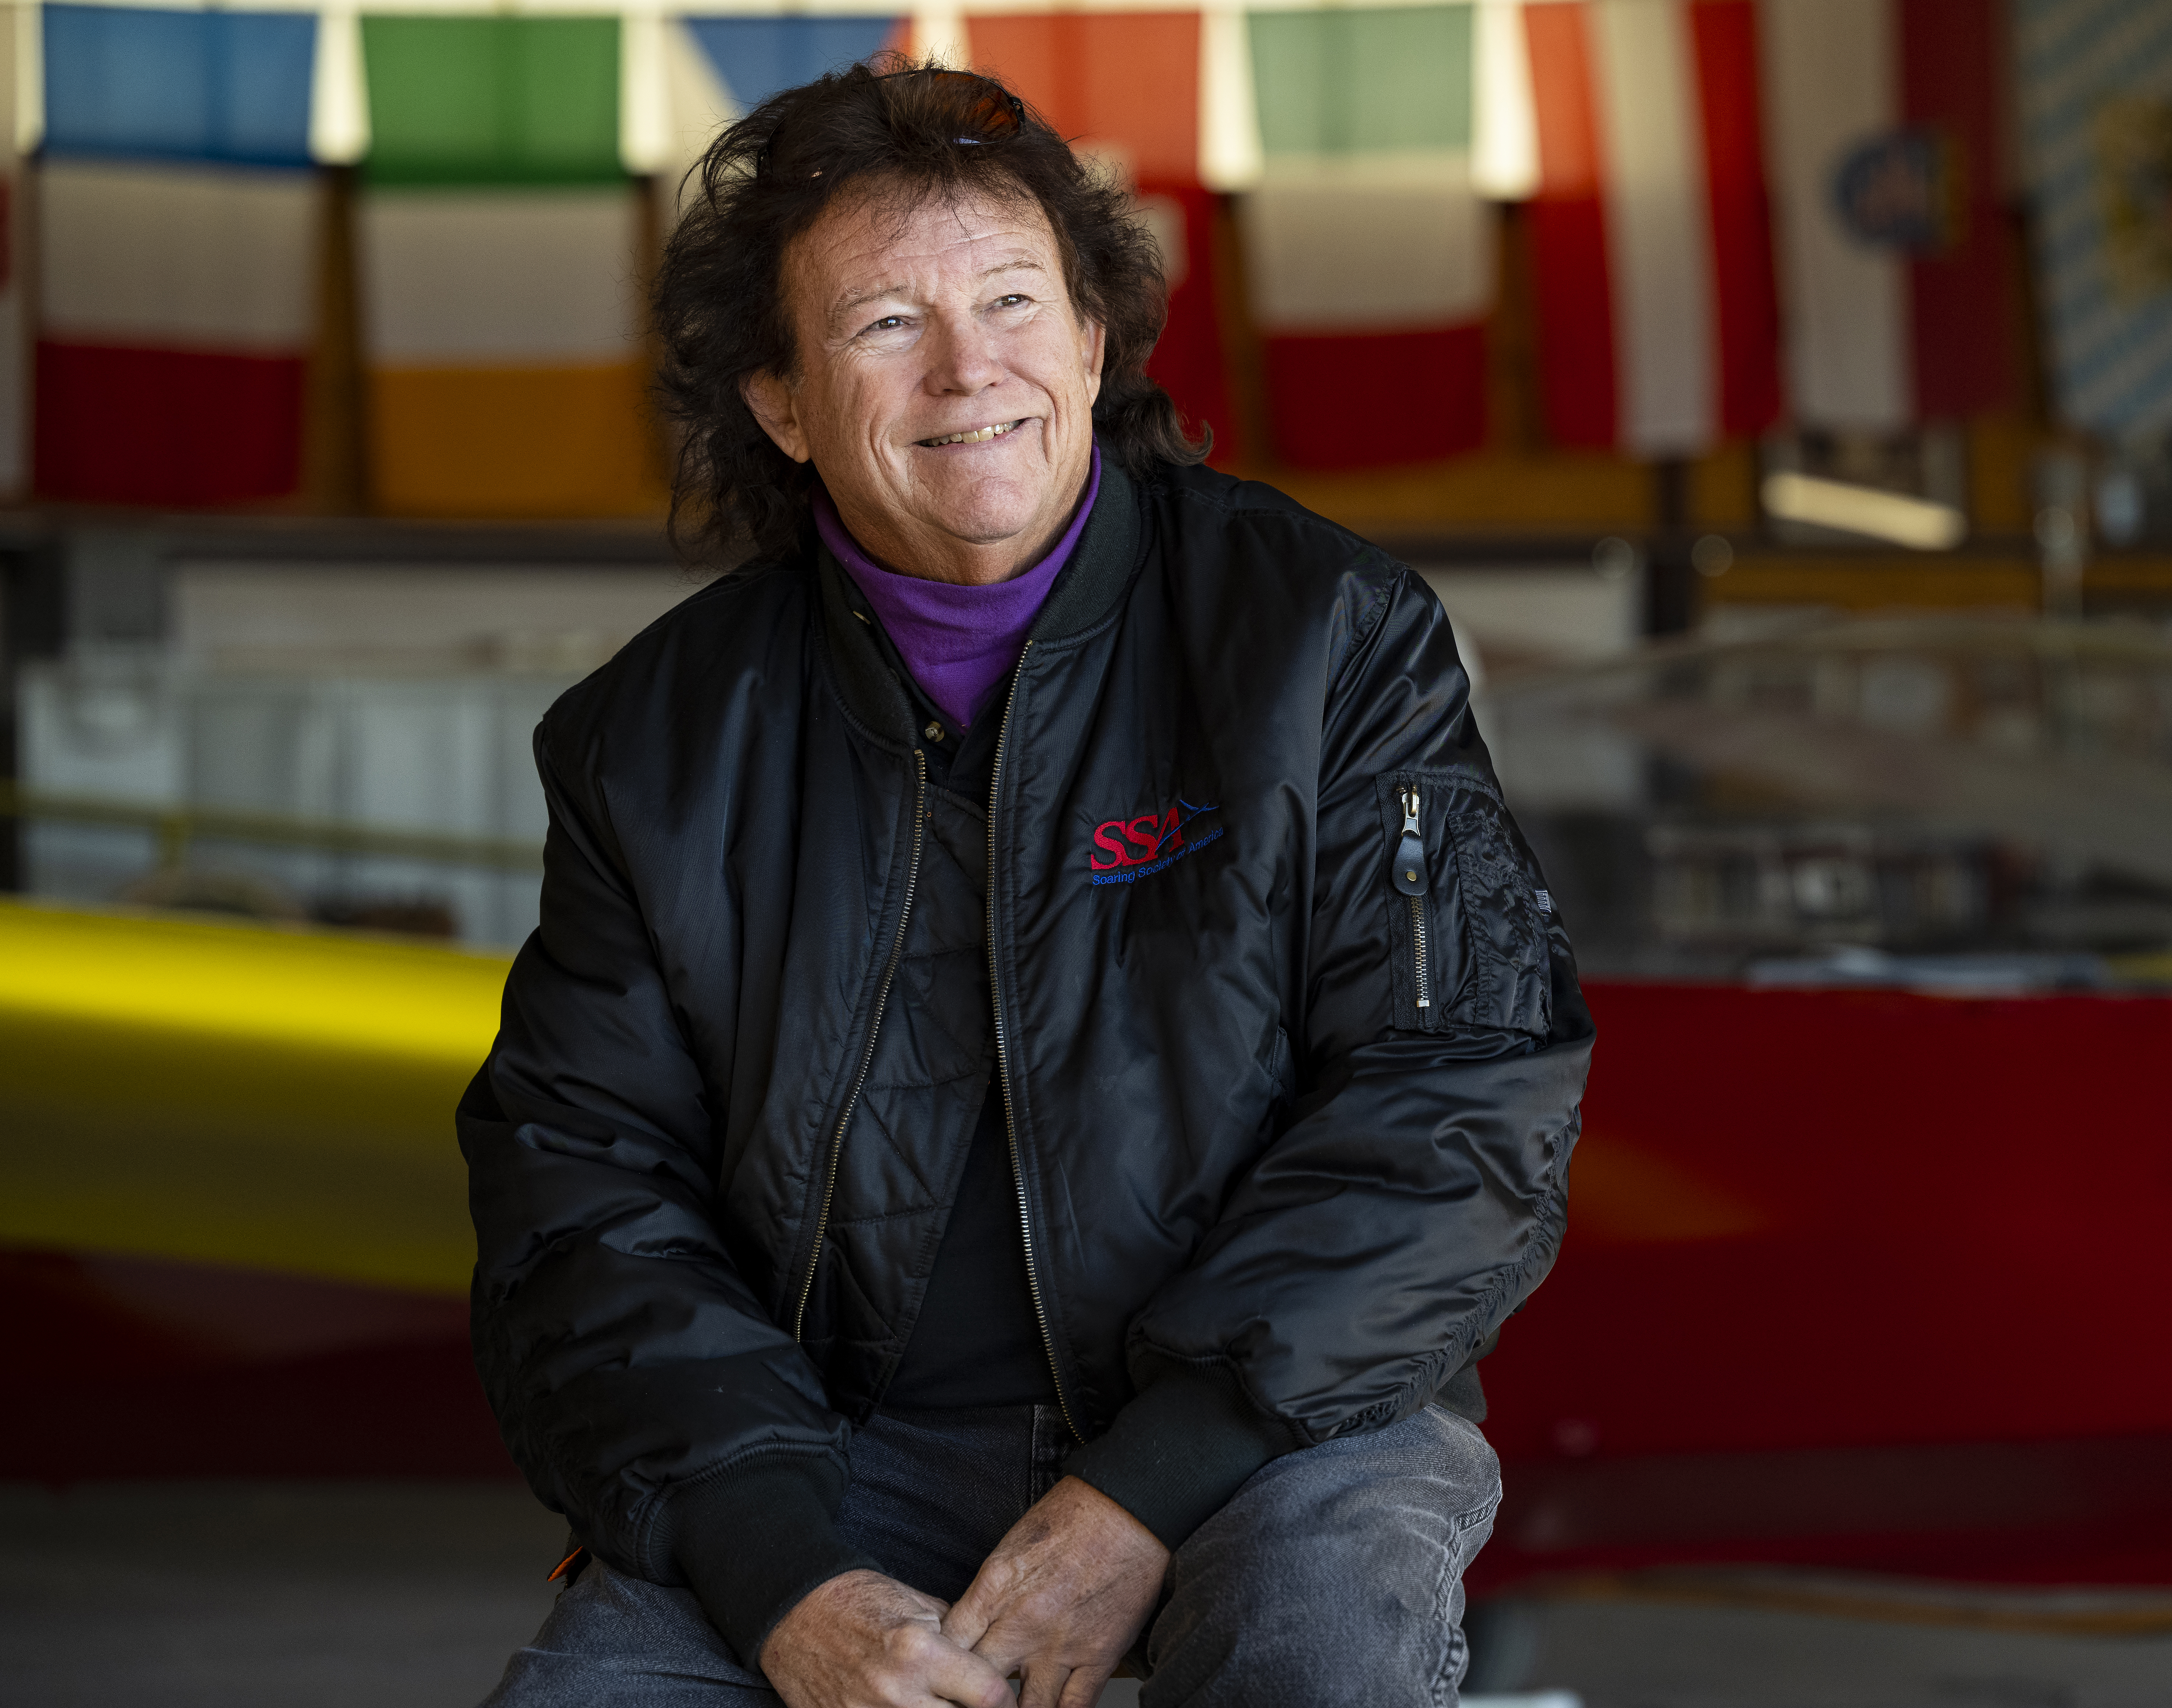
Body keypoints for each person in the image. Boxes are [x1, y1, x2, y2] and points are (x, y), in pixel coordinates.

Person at [461, 61, 1591, 1708]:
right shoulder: (650, 744)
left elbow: (1462, 1094)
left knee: (1316, 1661)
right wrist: (787, 1580)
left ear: (1092, 339)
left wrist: (1137, 1493)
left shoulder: (1325, 638)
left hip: (1276, 1429)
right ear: (780, 400)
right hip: (828, 1456)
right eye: (882, 326)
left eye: (1011, 301)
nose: (968, 368)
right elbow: (585, 1201)